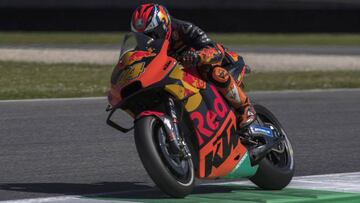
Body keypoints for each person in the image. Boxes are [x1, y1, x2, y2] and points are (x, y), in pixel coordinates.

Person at [130, 3, 256, 128]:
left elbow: (215, 50)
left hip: (225, 64)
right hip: (191, 74)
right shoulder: (148, 48)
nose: (148, 41)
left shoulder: (184, 29)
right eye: (142, 38)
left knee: (215, 72)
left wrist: (198, 56)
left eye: (152, 34)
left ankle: (245, 108)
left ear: (164, 24)